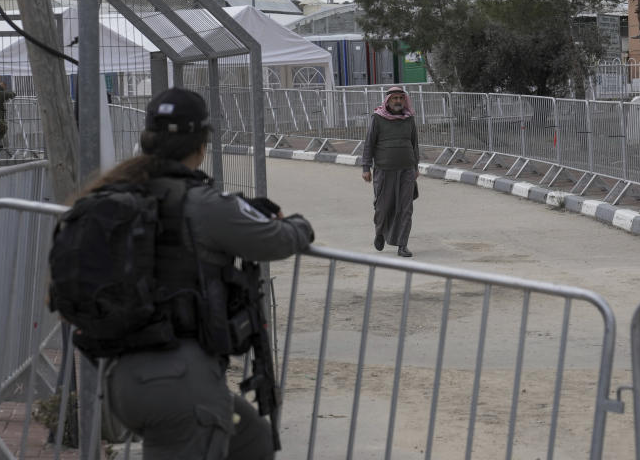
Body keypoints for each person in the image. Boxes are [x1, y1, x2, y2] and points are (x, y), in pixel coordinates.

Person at [96, 87, 314, 460]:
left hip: (123, 379)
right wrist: (299, 224)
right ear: (201, 145)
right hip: (179, 384)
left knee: (251, 440)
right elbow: (278, 240)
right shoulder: (200, 204)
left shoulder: (115, 193)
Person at [361, 85, 419, 257]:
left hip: (406, 170)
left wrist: (416, 166)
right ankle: (380, 232)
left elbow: (414, 143)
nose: (398, 101)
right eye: (395, 98)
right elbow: (369, 143)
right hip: (384, 170)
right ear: (388, 101)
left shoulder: (409, 118)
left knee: (405, 208)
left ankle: (402, 245)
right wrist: (366, 167)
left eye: (401, 98)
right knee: (383, 207)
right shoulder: (377, 118)